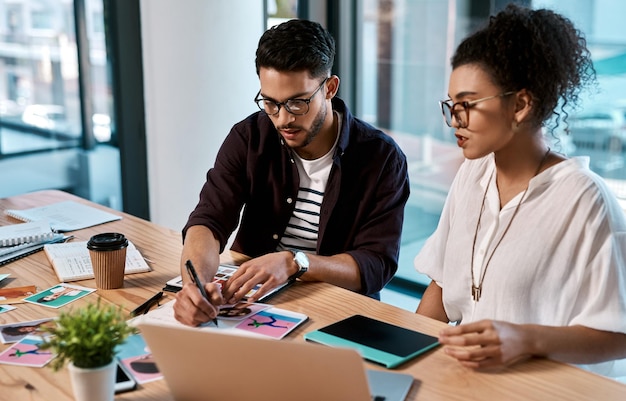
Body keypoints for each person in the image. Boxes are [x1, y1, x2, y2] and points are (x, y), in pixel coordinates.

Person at [414, 4, 626, 380]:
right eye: (451, 105)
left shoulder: (585, 200)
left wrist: (525, 339)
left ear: (521, 105)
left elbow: (617, 336)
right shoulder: (471, 174)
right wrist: (407, 357)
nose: (455, 121)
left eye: (468, 105)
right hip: (464, 379)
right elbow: (441, 282)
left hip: (541, 389)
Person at [174, 19, 409, 327]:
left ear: (329, 88)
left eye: (297, 103)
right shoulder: (249, 138)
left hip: (336, 308)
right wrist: (194, 286)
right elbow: (209, 221)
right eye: (270, 103)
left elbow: (375, 265)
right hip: (251, 303)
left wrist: (295, 263)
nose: (283, 119)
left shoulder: (381, 158)